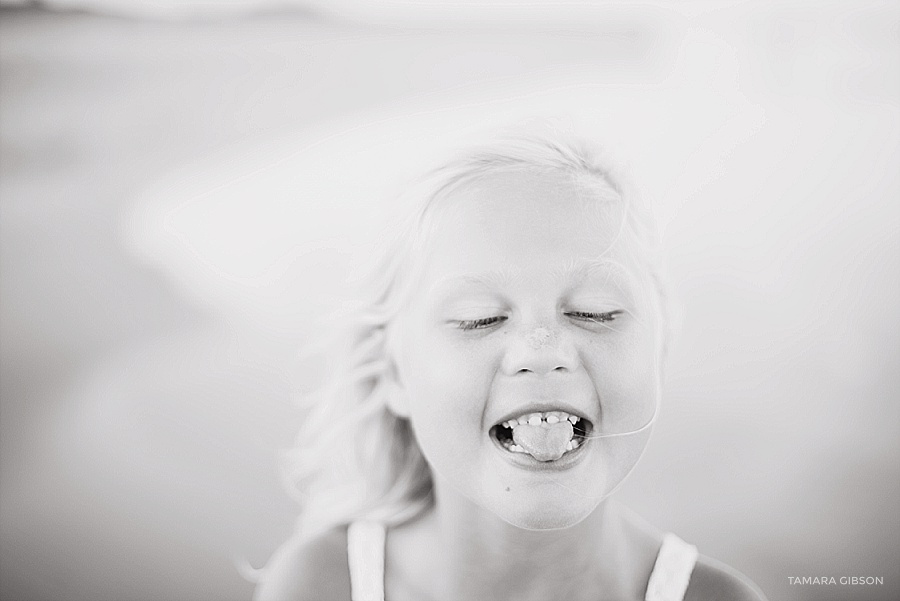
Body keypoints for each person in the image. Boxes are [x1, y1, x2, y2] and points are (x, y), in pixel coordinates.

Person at [253, 131, 767, 601]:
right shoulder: (317, 585)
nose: (542, 350)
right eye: (481, 319)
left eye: (595, 312)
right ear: (392, 372)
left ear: (660, 349)